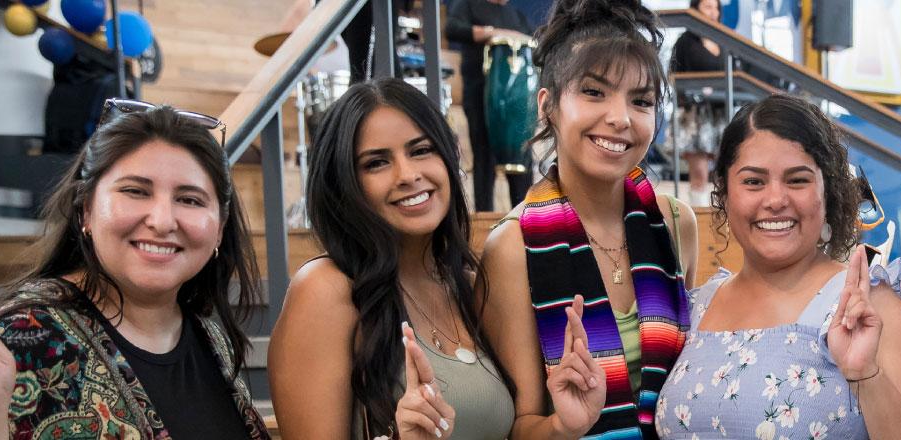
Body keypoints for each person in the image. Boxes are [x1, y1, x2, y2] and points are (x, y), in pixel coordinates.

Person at [0, 102, 269, 439]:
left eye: (190, 199)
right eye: (135, 191)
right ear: (86, 210)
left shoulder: (207, 331)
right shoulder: (25, 337)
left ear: (219, 228)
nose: (162, 221)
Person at [654, 94, 901, 439]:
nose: (776, 200)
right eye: (753, 181)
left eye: (797, 180)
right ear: (725, 192)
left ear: (830, 193)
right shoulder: (696, 307)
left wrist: (867, 376)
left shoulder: (867, 307)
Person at [478, 0, 699, 438]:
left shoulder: (677, 224)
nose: (619, 118)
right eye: (594, 92)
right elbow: (520, 427)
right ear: (548, 105)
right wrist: (565, 424)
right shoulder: (512, 246)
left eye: (641, 101)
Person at [268, 79, 516, 440]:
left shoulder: (467, 283)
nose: (408, 175)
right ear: (344, 183)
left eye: (421, 150)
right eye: (377, 162)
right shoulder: (326, 290)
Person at [445, 0, 537, 212]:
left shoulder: (516, 16)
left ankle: (525, 217)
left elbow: (536, 41)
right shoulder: (468, 5)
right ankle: (484, 220)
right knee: (484, 157)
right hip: (479, 91)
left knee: (521, 158)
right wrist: (492, 33)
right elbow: (452, 28)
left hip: (516, 101)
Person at [667, 0, 729, 207]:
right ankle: (698, 218)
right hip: (694, 113)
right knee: (699, 172)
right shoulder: (685, 40)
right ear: (696, 9)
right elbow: (674, 74)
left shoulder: (723, 41)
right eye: (707, 6)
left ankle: (723, 217)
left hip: (720, 111)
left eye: (716, 7)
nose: (713, 12)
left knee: (725, 171)